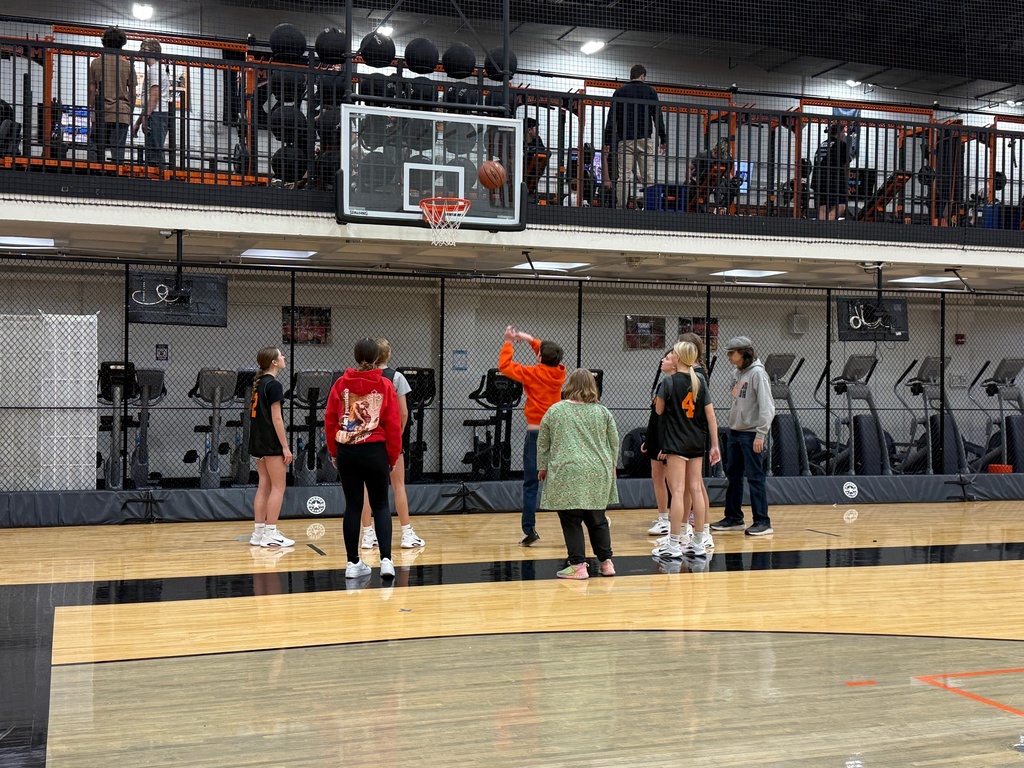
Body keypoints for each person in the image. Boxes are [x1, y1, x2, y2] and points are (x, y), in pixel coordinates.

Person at [325, 338, 403, 580]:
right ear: (378, 357)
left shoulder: (340, 384)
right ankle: (387, 561)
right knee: (381, 505)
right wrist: (392, 456)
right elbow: (393, 423)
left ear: (356, 356)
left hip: (347, 451)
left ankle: (352, 563)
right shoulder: (385, 384)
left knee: (353, 506)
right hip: (375, 451)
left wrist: (334, 451)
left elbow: (329, 419)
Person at [537, 368, 619, 579]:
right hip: (597, 470)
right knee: (597, 519)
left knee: (571, 519)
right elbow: (614, 442)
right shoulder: (602, 412)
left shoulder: (555, 411)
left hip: (567, 470)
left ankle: (578, 566)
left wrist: (543, 466)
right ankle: (606, 563)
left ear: (569, 386)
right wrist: (612, 466)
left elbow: (543, 442)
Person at [498, 325, 567, 546]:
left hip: (536, 433)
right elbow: (548, 353)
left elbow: (504, 365)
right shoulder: (560, 372)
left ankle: (530, 530)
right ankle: (573, 525)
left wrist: (509, 342)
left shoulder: (532, 373)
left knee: (531, 483)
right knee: (561, 481)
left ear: (539, 357)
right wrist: (530, 339)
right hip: (556, 432)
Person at [651, 341, 720, 559]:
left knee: (678, 492)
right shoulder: (699, 381)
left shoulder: (669, 382)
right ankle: (698, 542)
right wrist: (715, 445)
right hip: (696, 443)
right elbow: (711, 416)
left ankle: (674, 544)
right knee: (697, 490)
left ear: (678, 358)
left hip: (676, 443)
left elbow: (659, 410)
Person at [359, 338, 426, 552]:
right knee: (398, 486)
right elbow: (404, 412)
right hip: (389, 440)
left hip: (366, 439)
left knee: (367, 489)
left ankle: (368, 536)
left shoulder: (361, 377)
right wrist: (397, 433)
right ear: (388, 355)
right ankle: (407, 533)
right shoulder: (396, 377)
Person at [711, 336, 776, 536]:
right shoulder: (737, 373)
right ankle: (733, 517)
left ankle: (762, 522)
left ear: (743, 353)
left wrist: (761, 434)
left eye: (732, 353)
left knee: (755, 478)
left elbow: (768, 407)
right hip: (735, 433)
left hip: (751, 435)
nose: (729, 357)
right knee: (734, 477)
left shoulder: (758, 374)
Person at [602, 64, 668, 209]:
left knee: (623, 177)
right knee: (648, 177)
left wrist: (607, 140)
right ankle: (650, 208)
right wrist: (663, 139)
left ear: (631, 75)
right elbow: (658, 116)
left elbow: (611, 118)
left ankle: (620, 208)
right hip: (644, 139)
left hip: (625, 140)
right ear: (642, 76)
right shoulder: (651, 92)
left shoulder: (619, 92)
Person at [248, 347, 295, 548]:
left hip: (258, 441)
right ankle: (271, 533)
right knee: (278, 487)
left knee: (264, 485)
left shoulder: (260, 385)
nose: (284, 357)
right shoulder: (274, 385)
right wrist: (285, 447)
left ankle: (259, 533)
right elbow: (277, 418)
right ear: (274, 362)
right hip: (271, 441)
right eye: (280, 355)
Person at [87, 26, 136, 165]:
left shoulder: (96, 63)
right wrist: (129, 110)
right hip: (121, 113)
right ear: (122, 43)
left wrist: (92, 110)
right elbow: (132, 92)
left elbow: (92, 90)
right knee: (118, 152)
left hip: (101, 112)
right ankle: (116, 181)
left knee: (94, 147)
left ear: (104, 42)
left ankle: (93, 176)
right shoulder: (127, 65)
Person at [642, 348, 674, 536]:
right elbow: (655, 415)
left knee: (672, 481)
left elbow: (671, 419)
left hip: (667, 442)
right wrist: (649, 438)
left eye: (668, 358)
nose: (662, 360)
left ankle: (676, 520)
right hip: (656, 437)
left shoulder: (674, 385)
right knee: (657, 478)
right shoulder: (663, 383)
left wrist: (666, 443)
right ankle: (663, 518)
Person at [131, 39, 170, 170]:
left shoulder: (155, 70)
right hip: (155, 114)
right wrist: (139, 121)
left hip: (156, 115)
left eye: (144, 49)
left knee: (154, 153)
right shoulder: (157, 69)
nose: (142, 53)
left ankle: (158, 182)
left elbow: (154, 95)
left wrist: (145, 118)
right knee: (154, 151)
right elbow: (150, 99)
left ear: (153, 52)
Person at [811, 122, 852, 220]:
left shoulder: (822, 144)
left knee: (822, 208)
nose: (844, 135)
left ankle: (821, 230)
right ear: (840, 133)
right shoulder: (841, 145)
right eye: (843, 133)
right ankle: (827, 226)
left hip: (818, 181)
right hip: (834, 181)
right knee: (841, 206)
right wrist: (846, 185)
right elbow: (846, 166)